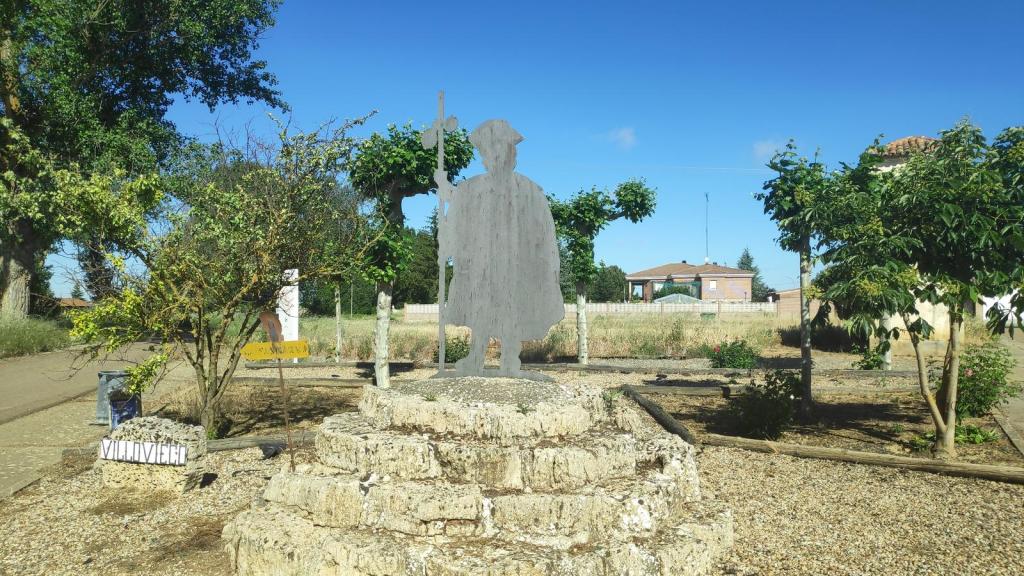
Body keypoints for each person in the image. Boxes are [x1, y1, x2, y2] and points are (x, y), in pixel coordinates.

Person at [434, 119, 564, 377]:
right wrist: (446, 191)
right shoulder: (472, 187)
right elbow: (459, 212)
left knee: (511, 309)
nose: (492, 158)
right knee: (481, 306)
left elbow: (543, 232)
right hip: (482, 263)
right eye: (486, 153)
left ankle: (509, 359)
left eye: (505, 150)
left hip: (517, 264)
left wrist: (541, 262)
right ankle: (475, 357)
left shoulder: (527, 189)